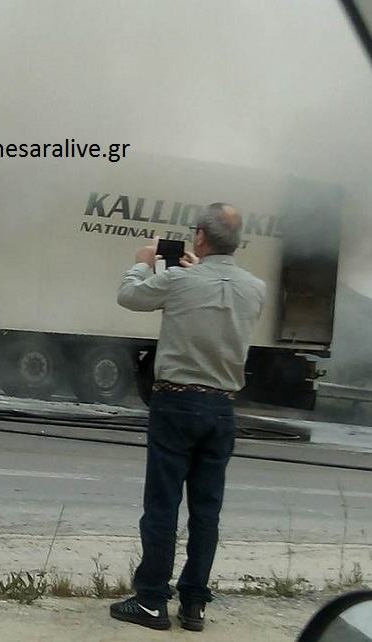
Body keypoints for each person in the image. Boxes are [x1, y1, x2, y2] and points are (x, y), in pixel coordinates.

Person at [109, 203, 266, 632]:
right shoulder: (256, 288)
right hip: (221, 408)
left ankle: (151, 601)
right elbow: (217, 298)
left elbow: (131, 296)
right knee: (206, 511)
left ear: (199, 237)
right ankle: (194, 604)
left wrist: (141, 263)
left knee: (162, 505)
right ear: (237, 242)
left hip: (176, 403)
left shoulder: (178, 279)